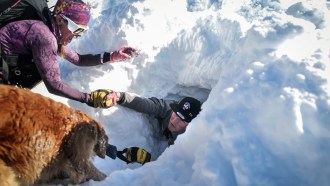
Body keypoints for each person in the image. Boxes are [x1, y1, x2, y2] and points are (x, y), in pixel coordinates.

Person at [0, 0, 135, 108]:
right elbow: (54, 86)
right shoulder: (44, 37)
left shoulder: (50, 30)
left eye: (83, 31)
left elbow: (79, 60)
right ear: (60, 19)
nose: (78, 35)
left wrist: (112, 56)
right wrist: (89, 99)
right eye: (76, 29)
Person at [104, 90, 202, 163]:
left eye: (181, 119)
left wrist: (148, 160)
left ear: (191, 125)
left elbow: (174, 173)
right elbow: (147, 104)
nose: (174, 119)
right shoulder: (168, 109)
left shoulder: (189, 144)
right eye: (176, 113)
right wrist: (120, 97)